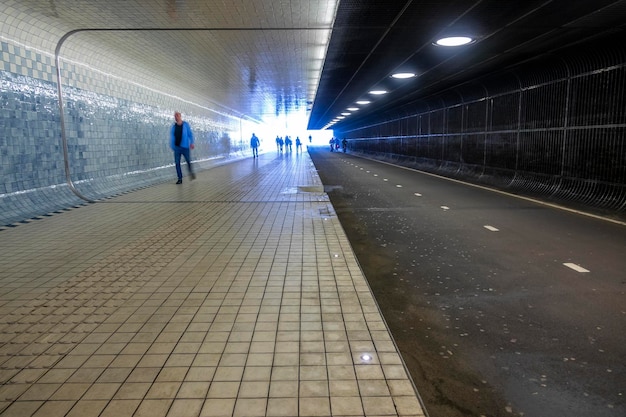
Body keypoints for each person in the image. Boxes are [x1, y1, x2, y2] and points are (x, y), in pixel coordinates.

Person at [170, 111, 195, 184]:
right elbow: (172, 136)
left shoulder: (186, 125)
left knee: (188, 161)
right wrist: (172, 146)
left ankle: (191, 172)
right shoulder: (174, 127)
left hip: (185, 147)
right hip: (177, 148)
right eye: (175, 116)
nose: (176, 117)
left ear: (180, 116)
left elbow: (190, 134)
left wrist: (192, 143)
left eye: (177, 116)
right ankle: (179, 179)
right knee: (177, 163)